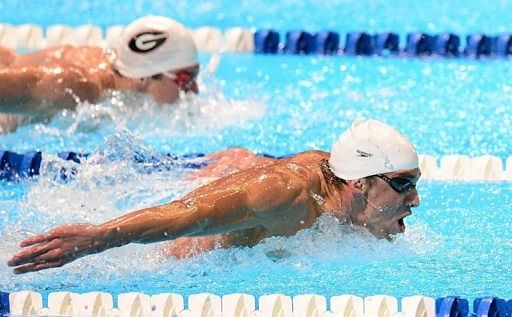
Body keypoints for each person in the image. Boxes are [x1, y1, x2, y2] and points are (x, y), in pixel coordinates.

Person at [8, 119, 421, 274]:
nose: (415, 200)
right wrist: (97, 237)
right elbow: (184, 216)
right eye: (404, 184)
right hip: (179, 261)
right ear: (360, 183)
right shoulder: (283, 196)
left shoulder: (342, 187)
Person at [0, 15, 199, 129]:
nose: (194, 90)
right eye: (185, 79)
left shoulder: (121, 66)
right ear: (144, 77)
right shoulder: (79, 87)